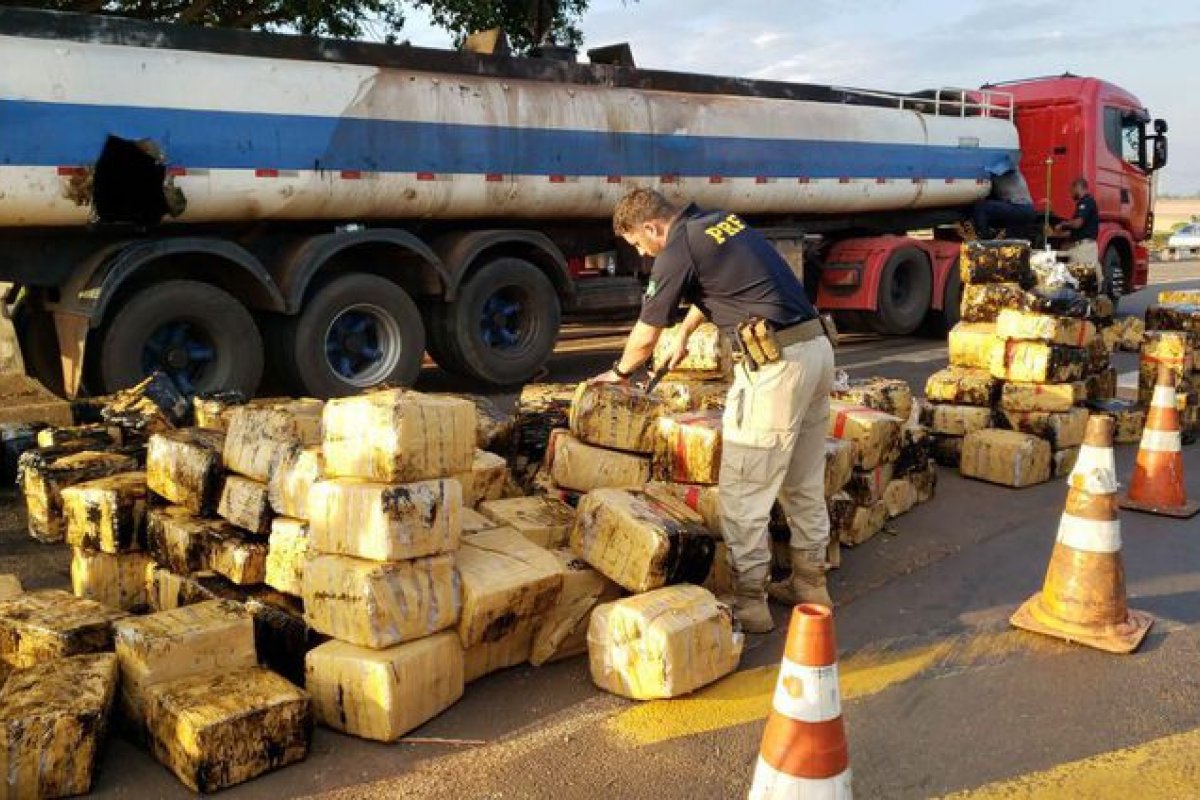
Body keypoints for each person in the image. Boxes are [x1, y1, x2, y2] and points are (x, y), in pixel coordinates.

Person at [593, 188, 836, 632]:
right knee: (802, 481)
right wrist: (686, 331)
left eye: (637, 243)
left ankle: (749, 604)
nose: (643, 253)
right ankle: (810, 585)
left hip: (775, 370)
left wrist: (620, 373)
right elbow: (727, 286)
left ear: (650, 226)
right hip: (816, 351)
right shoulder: (720, 222)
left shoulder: (675, 247)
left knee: (744, 491)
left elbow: (646, 334)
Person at [971, 163, 1038, 240]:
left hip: (1019, 207)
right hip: (1024, 210)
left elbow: (994, 170)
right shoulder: (998, 172)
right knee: (1012, 242)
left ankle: (985, 238)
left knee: (981, 207)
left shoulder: (1006, 165)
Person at [1054, 177, 1101, 283]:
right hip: (1081, 248)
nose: (1071, 194)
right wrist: (1056, 235)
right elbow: (1075, 232)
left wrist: (1062, 224)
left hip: (1084, 250)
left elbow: (1077, 224)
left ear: (1078, 187)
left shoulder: (1087, 201)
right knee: (1078, 282)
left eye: (1071, 191)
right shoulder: (1084, 203)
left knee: (1082, 281)